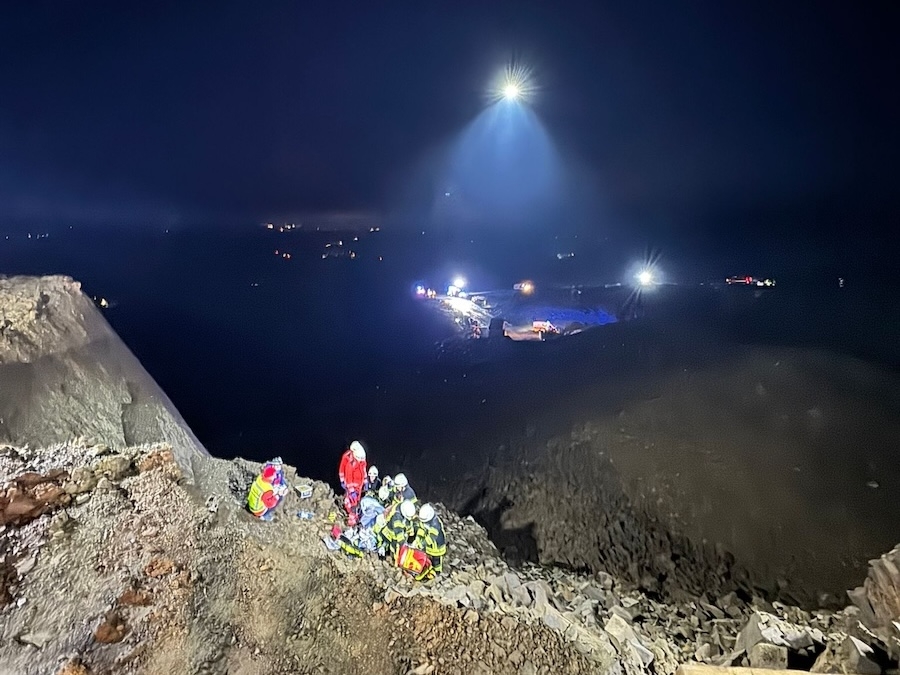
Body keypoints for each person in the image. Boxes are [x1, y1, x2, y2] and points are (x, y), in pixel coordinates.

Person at [413, 503, 447, 580]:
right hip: (429, 545)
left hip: (437, 545)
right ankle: (428, 568)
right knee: (428, 557)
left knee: (436, 560)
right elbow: (421, 530)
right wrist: (417, 539)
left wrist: (422, 544)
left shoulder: (435, 524)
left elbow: (431, 538)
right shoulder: (424, 520)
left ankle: (438, 573)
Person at [338, 441, 367, 526]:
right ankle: (351, 520)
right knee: (351, 503)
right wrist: (351, 490)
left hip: (358, 485)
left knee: (356, 501)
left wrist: (365, 481)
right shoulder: (350, 463)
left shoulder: (362, 460)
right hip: (352, 486)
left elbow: (363, 470)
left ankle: (355, 516)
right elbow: (348, 477)